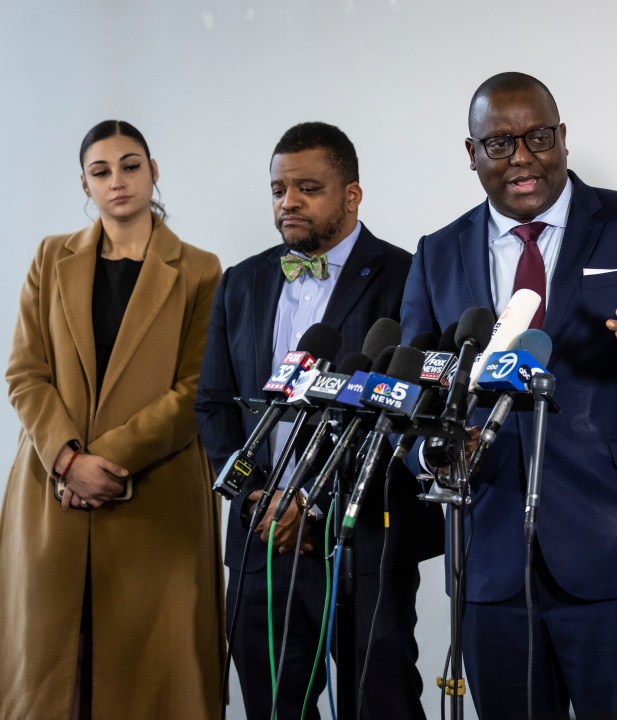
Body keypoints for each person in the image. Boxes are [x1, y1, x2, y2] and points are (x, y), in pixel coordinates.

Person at [399, 71, 617, 719]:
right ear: (470, 154)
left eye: (538, 137)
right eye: (499, 144)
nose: (523, 157)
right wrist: (435, 454)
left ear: (563, 138)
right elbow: (411, 397)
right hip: (491, 564)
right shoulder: (437, 255)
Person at [195, 121, 443, 720]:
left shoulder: (408, 276)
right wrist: (258, 497)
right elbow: (214, 404)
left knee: (378, 701)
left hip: (361, 539)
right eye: (279, 189)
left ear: (352, 195)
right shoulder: (242, 281)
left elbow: (410, 413)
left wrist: (314, 506)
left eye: (308, 188)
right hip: (261, 539)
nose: (289, 203)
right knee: (273, 706)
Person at [0, 120, 224, 718]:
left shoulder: (201, 269)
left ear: (154, 172)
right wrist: (71, 461)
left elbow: (196, 388)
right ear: (85, 183)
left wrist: (111, 461)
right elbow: (25, 372)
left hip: (156, 496)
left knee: (153, 678)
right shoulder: (50, 257)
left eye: (130, 166)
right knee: (49, 678)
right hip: (53, 491)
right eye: (101, 172)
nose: (117, 181)